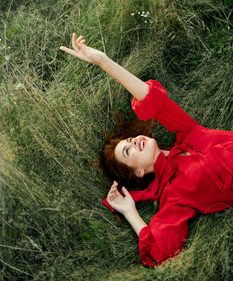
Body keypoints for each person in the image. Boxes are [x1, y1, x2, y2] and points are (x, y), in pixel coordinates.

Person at [60, 33, 233, 267]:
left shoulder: (187, 134)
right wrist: (130, 211)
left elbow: (153, 99)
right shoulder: (174, 195)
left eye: (130, 140)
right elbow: (159, 251)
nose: (134, 142)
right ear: (139, 172)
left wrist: (103, 61)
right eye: (128, 152)